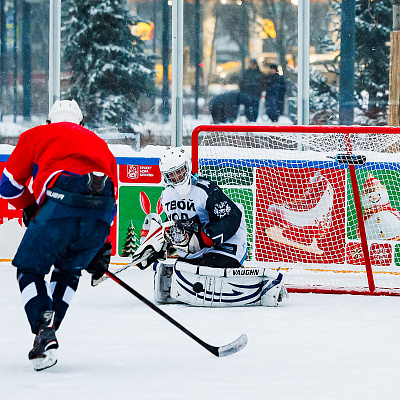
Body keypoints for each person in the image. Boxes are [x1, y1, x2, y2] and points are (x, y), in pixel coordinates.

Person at [0, 99, 117, 371]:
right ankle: (47, 333)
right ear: (82, 124)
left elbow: (7, 186)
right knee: (69, 270)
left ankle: (44, 328)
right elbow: (113, 204)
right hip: (99, 209)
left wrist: (29, 206)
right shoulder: (100, 145)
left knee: (29, 269)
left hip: (61, 200)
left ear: (50, 122)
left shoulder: (37, 135)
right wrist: (103, 248)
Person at [136, 147, 287, 308]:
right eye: (171, 174)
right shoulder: (166, 195)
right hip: (197, 250)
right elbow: (173, 225)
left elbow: (232, 217)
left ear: (187, 167)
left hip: (226, 244)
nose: (176, 177)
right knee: (184, 269)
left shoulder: (205, 189)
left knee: (209, 265)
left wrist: (207, 237)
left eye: (179, 171)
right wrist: (157, 247)